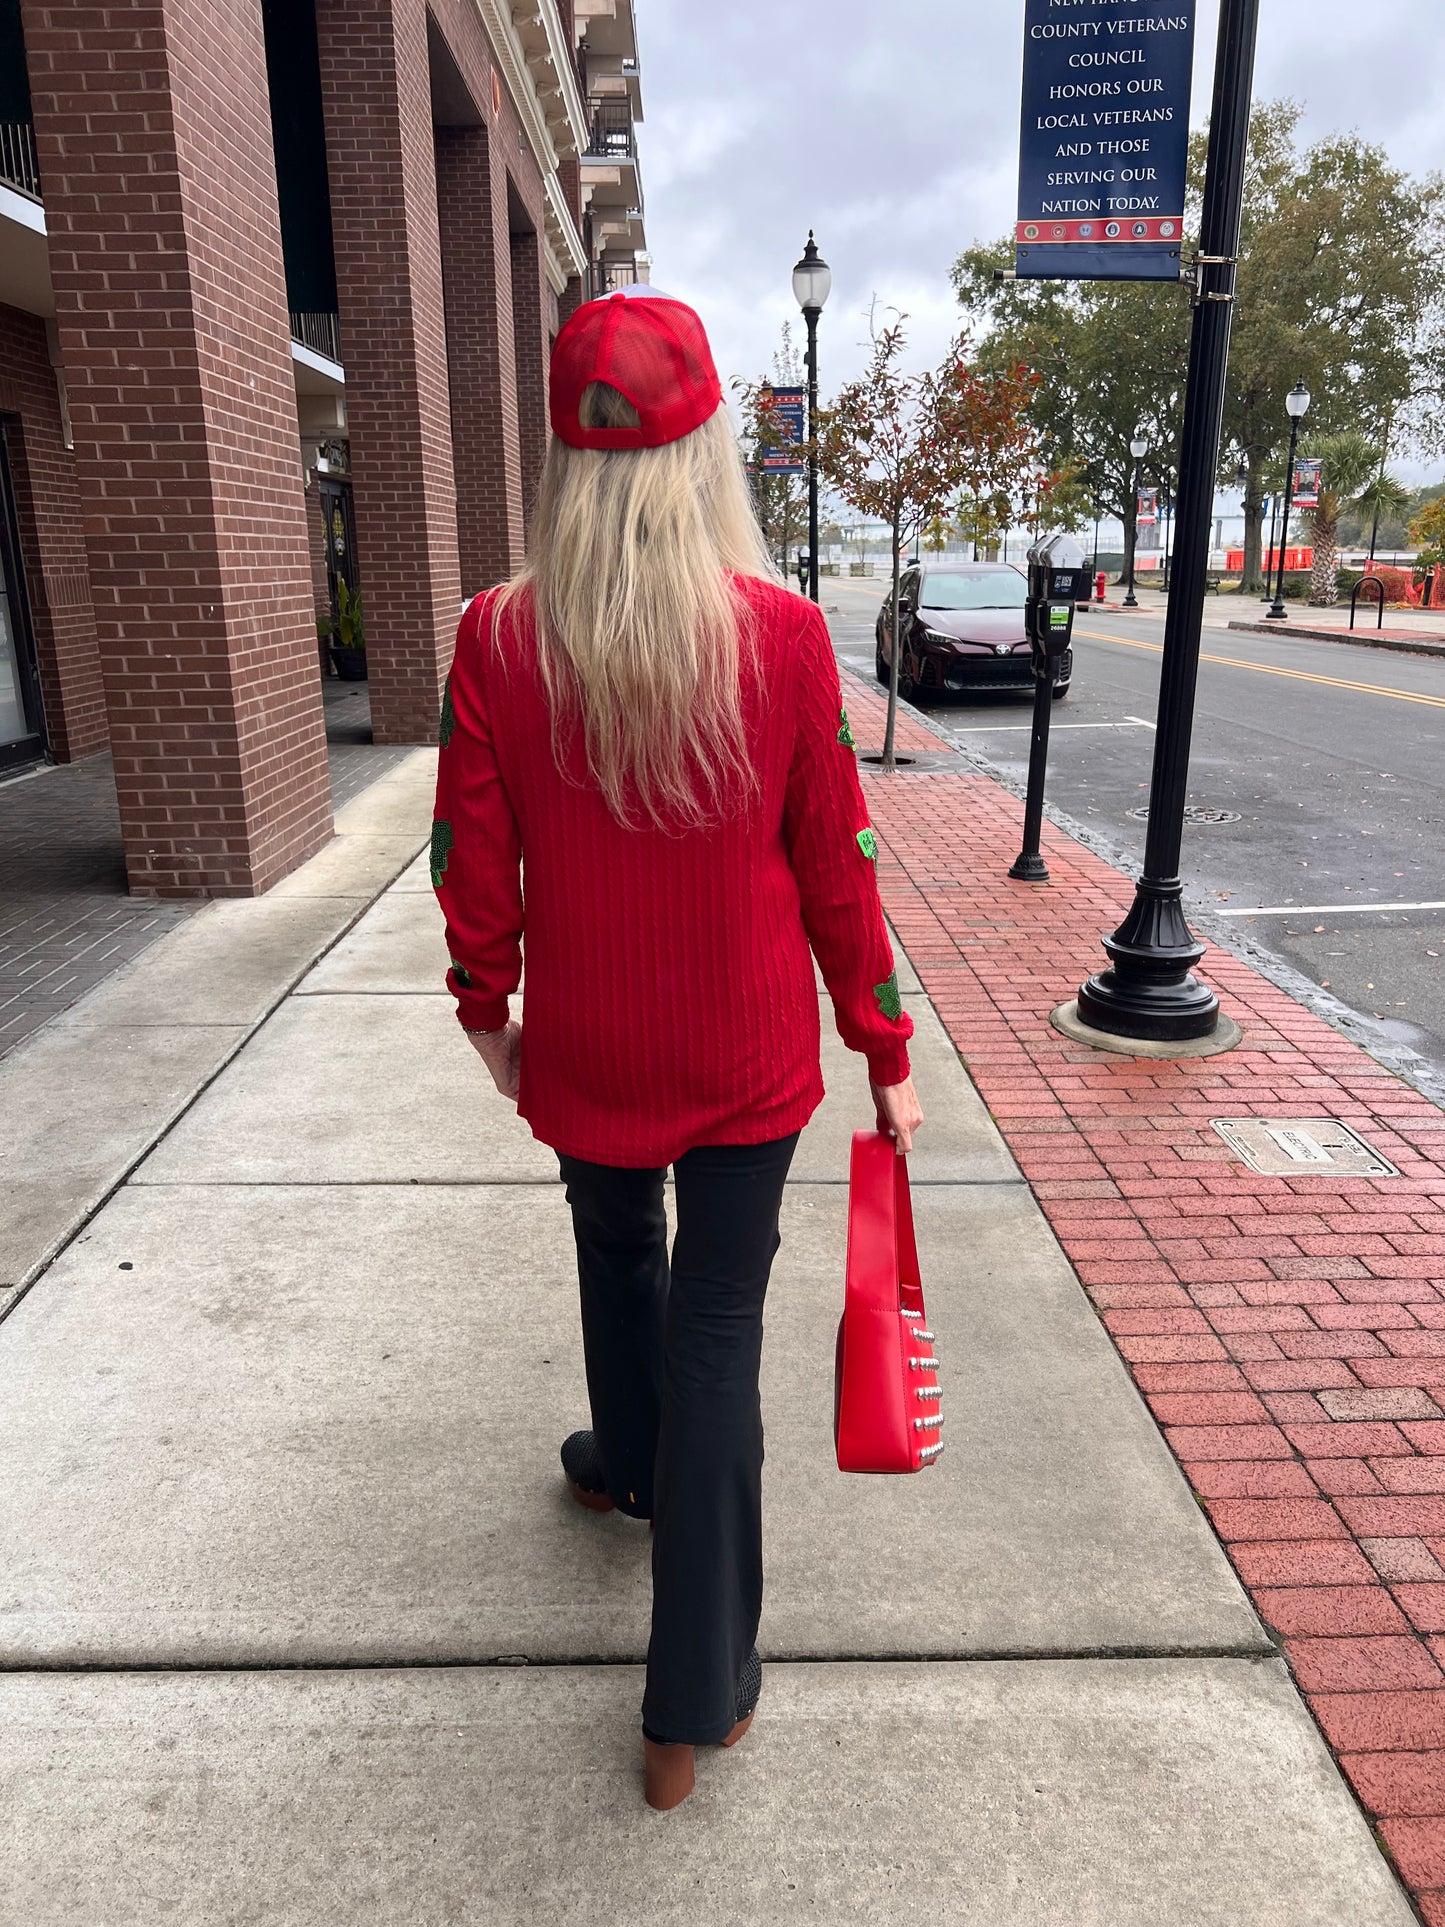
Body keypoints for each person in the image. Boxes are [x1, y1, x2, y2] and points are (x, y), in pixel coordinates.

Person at [432, 286, 922, 1812]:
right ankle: (690, 1699)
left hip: (592, 1040)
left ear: (564, 463)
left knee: (606, 1239)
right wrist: (878, 1039)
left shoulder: (498, 637)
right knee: (716, 1322)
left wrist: (487, 1011)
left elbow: (468, 854)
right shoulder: (777, 637)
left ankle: (625, 1460)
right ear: (708, 445)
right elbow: (833, 855)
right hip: (745, 1050)